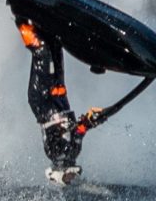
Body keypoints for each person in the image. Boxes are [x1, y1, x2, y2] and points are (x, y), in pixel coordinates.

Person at [13, 16, 106, 185]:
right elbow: (79, 131)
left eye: (67, 178)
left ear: (58, 172)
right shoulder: (73, 152)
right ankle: (44, 19)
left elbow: (64, 131)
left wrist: (83, 124)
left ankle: (21, 19)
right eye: (71, 179)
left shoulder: (54, 152)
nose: (71, 177)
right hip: (59, 98)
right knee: (56, 47)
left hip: (43, 100)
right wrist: (93, 120)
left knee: (42, 52)